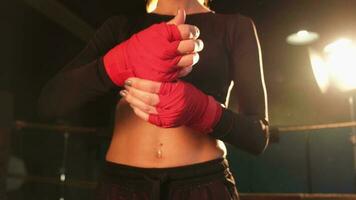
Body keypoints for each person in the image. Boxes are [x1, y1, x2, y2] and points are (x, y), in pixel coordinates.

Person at [38, 0, 269, 199]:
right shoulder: (120, 26)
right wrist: (114, 64)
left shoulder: (235, 27)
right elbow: (49, 103)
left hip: (204, 183)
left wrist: (205, 112)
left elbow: (258, 136)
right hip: (121, 185)